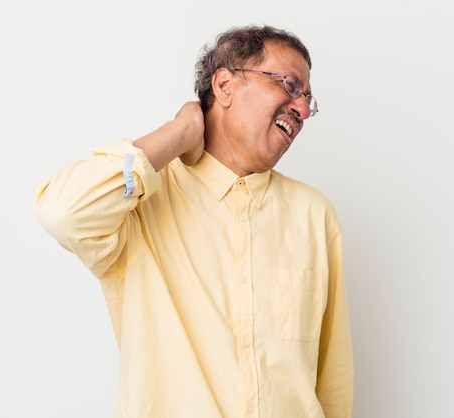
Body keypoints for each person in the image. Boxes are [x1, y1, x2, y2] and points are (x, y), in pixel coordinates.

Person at [34, 24, 353, 418]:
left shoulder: (315, 215)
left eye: (307, 98)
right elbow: (63, 212)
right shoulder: (140, 205)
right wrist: (180, 130)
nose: (302, 108)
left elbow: (333, 376)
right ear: (224, 86)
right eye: (289, 84)